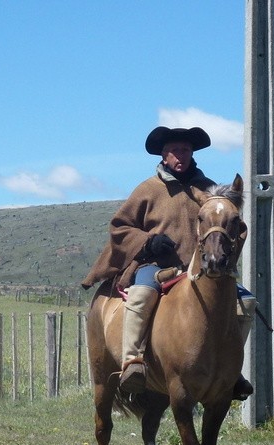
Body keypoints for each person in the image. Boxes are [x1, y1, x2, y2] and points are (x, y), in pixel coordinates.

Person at [81, 126, 255, 400]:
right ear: (164, 154)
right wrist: (148, 242)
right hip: (156, 266)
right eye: (174, 150)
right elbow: (120, 227)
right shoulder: (148, 189)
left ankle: (230, 371)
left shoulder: (209, 190)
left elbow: (231, 225)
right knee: (141, 295)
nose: (180, 155)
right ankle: (133, 362)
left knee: (245, 302)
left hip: (200, 269)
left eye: (185, 150)